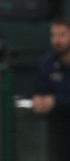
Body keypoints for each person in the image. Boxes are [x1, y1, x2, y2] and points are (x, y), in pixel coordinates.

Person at [33, 18, 70, 160]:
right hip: (57, 127)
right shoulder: (47, 63)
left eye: (62, 35)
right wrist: (39, 100)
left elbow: (55, 99)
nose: (57, 40)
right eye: (54, 35)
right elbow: (41, 91)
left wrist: (56, 101)